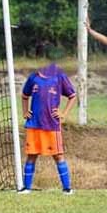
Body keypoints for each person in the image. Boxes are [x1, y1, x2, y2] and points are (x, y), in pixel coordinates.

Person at [19, 63, 78, 194]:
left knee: (58, 156)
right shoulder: (33, 78)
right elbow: (24, 95)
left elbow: (72, 96)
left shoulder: (59, 76)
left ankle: (67, 188)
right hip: (34, 124)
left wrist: (63, 114)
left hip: (51, 124)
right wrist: (25, 111)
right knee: (31, 155)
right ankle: (26, 188)